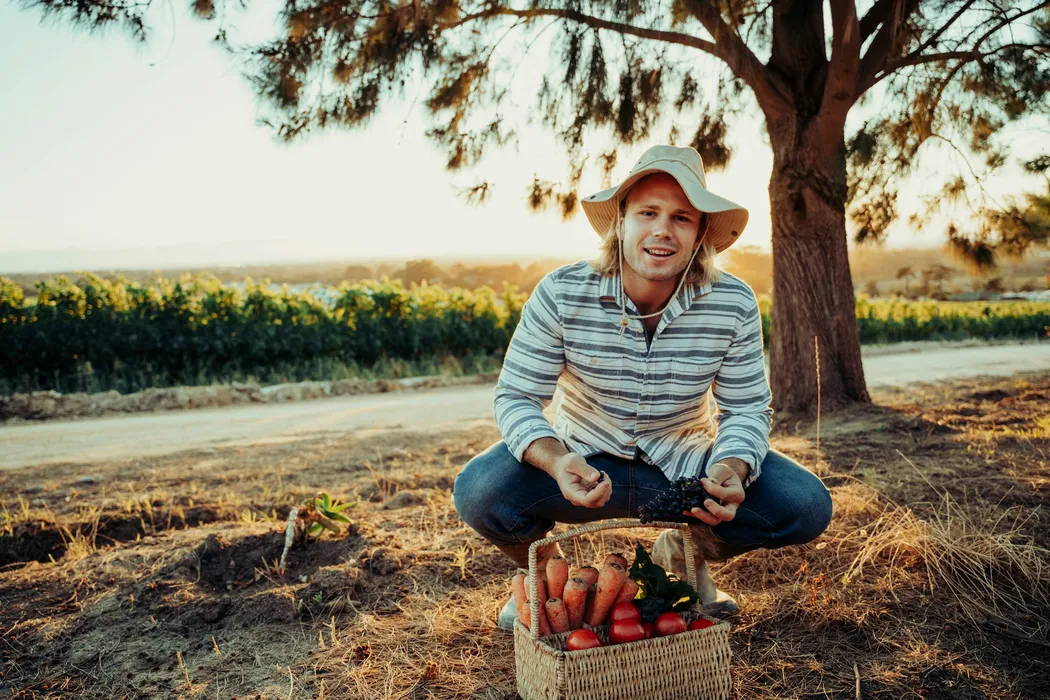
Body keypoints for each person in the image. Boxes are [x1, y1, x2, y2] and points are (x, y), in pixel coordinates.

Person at [453, 144, 833, 630]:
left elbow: (747, 409)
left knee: (804, 505)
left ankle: (681, 550)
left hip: (685, 465)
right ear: (621, 222)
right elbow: (517, 396)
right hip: (583, 461)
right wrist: (556, 459)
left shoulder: (733, 302)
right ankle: (547, 582)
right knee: (480, 490)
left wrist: (730, 467)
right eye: (647, 212)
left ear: (699, 236)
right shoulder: (562, 292)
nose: (662, 230)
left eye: (681, 218)